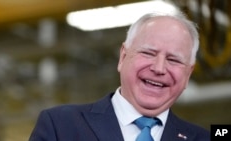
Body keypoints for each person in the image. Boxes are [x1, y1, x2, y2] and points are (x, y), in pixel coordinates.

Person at [29, 2, 210, 141]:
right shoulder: (60, 126)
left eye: (173, 59)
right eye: (148, 53)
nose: (159, 68)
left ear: (188, 74)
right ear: (123, 56)